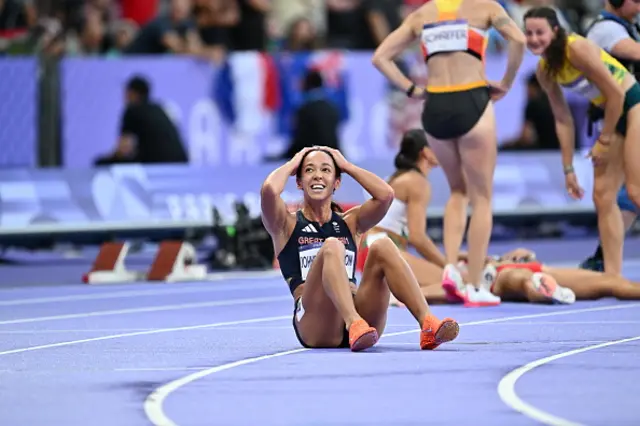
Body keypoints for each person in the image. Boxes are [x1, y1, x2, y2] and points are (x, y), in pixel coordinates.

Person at [372, 0, 526, 306]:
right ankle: (474, 284)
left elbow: (380, 57)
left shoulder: (423, 14)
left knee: (458, 191)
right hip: (472, 97)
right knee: (481, 198)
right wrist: (507, 82)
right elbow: (519, 40)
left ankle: (452, 268)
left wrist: (412, 89)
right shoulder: (486, 7)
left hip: (435, 106)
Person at [260, 146, 459, 352]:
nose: (317, 175)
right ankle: (353, 322)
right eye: (309, 170)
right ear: (299, 182)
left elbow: (385, 195)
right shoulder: (286, 225)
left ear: (336, 182)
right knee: (332, 245)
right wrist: (295, 161)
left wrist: (347, 166)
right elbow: (269, 190)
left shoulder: (350, 222)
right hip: (316, 324)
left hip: (363, 316)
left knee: (382, 244)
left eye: (326, 170)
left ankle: (427, 322)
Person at [523, 6, 640, 277]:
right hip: (614, 114)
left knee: (634, 192)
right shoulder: (544, 71)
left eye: (539, 32)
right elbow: (563, 119)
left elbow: (616, 94)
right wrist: (568, 169)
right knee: (602, 196)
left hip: (633, 104)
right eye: (528, 33)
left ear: (555, 31)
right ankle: (612, 276)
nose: (533, 39)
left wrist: (605, 138)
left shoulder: (577, 49)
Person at [579, 0, 640, 271]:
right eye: (635, 0)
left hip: (625, 119)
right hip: (620, 121)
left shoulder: (628, 26)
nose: (639, 6)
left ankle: (604, 255)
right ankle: (604, 256)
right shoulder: (606, 30)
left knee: (625, 194)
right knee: (618, 193)